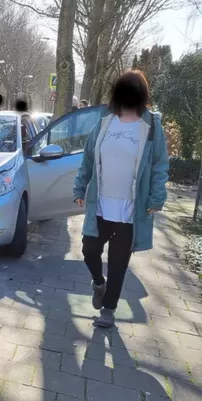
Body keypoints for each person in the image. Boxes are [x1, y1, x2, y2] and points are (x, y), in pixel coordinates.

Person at [73, 70, 169, 328]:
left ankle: (108, 310)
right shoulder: (105, 121)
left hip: (131, 208)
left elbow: (160, 163)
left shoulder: (151, 125)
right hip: (101, 203)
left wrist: (157, 197)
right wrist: (80, 188)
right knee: (89, 249)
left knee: (118, 261)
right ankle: (98, 283)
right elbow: (88, 158)